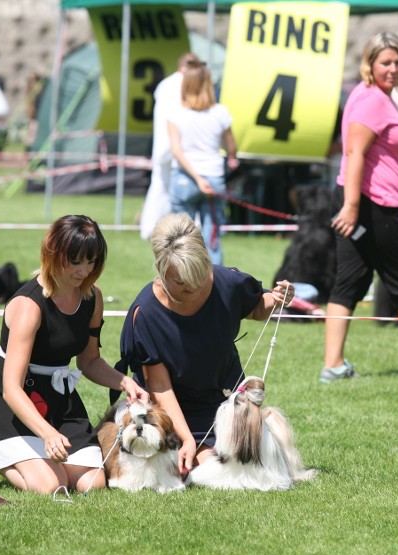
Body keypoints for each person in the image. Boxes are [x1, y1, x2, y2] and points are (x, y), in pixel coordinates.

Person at [0, 215, 149, 494]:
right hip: (11, 396)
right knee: (52, 485)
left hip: (57, 394)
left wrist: (126, 383)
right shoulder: (29, 305)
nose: (84, 270)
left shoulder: (92, 297)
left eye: (92, 261)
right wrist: (47, 434)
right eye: (76, 261)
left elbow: (89, 362)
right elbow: (11, 388)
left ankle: (19, 457)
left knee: (93, 484)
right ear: (54, 253)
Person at [118, 213, 294, 476]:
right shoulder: (145, 313)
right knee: (193, 468)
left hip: (223, 406)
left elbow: (257, 306)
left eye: (198, 277)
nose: (191, 287)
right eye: (180, 281)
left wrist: (278, 298)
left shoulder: (227, 283)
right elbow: (160, 386)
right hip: (169, 409)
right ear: (160, 266)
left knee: (222, 466)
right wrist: (186, 438)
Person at [321, 32, 398, 384]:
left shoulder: (375, 96)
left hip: (375, 200)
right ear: (369, 63)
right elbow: (354, 154)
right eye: (386, 62)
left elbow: (386, 156)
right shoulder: (372, 100)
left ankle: (333, 365)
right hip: (374, 207)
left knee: (350, 280)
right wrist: (352, 207)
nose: (394, 69)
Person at [167, 62, 238, 266]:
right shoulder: (221, 112)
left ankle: (181, 282)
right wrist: (232, 155)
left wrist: (196, 178)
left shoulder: (175, 113)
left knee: (180, 239)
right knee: (212, 238)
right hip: (213, 179)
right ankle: (215, 284)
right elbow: (231, 146)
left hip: (183, 178)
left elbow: (176, 150)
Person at [138, 52, 202, 240]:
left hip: (162, 143)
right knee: (187, 186)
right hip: (179, 143)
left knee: (159, 185)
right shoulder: (188, 84)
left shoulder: (164, 85)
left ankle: (149, 228)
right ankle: (193, 227)